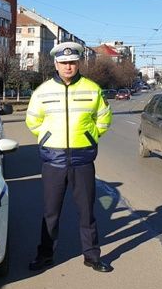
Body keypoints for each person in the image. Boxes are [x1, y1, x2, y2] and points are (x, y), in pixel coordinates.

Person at [25, 42, 114, 273]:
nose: (68, 66)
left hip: (82, 160)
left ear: (78, 63)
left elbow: (104, 118)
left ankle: (92, 256)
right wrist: (47, 138)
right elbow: (32, 120)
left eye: (72, 62)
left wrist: (91, 136)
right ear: (56, 64)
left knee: (87, 212)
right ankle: (45, 256)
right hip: (53, 161)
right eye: (64, 63)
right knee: (50, 213)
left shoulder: (92, 89)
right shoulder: (42, 91)